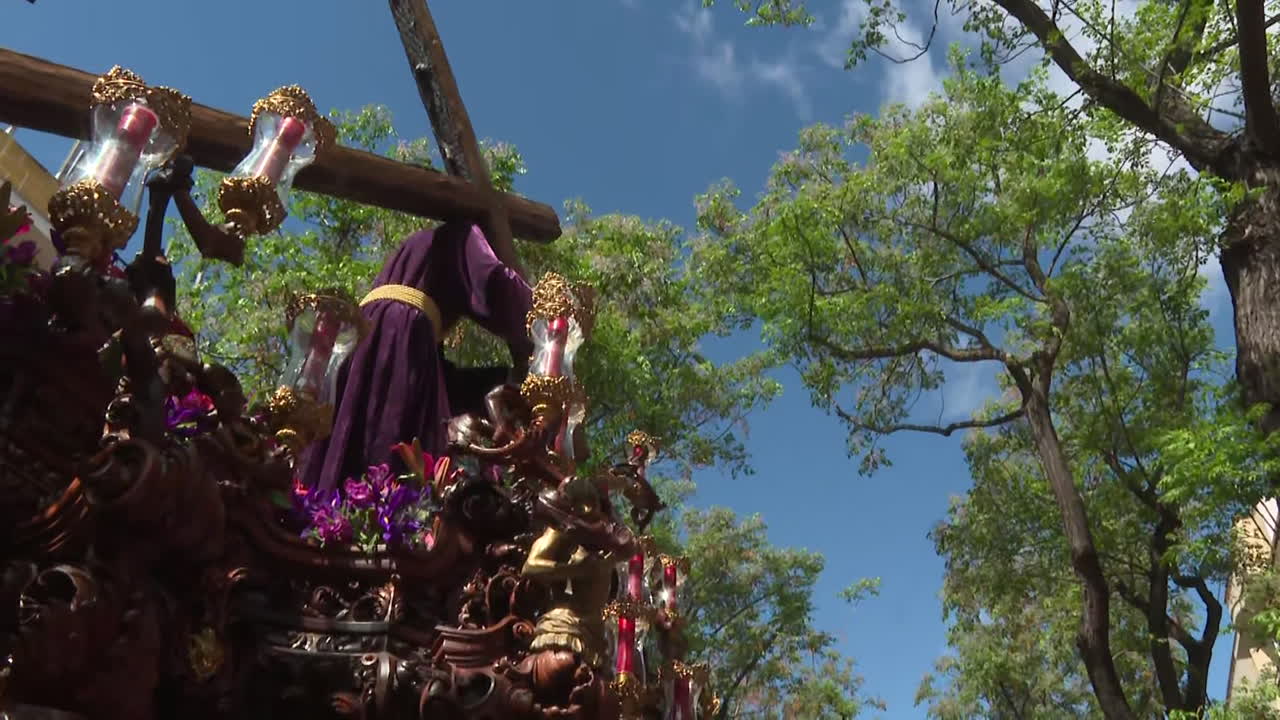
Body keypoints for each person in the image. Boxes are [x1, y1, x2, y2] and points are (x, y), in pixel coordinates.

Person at [298, 221, 532, 490]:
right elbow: (497, 285)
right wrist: (550, 319)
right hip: (401, 332)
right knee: (392, 455)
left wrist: (503, 379)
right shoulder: (463, 235)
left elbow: (445, 385)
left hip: (357, 345)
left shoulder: (412, 271)